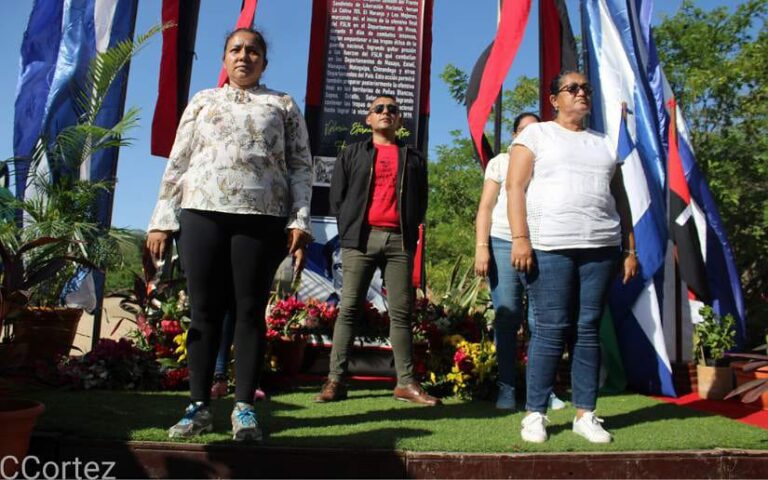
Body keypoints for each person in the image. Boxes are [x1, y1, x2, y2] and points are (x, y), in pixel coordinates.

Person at [146, 28, 312, 441]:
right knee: (203, 310)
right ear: (224, 59)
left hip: (261, 216)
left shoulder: (283, 104)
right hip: (201, 211)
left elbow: (301, 166)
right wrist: (161, 217)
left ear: (264, 62)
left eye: (253, 51)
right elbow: (179, 160)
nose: (244, 56)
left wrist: (300, 219)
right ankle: (198, 407)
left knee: (250, 310)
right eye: (236, 49)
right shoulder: (203, 101)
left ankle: (244, 409)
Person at [507, 71, 638, 444]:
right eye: (573, 88)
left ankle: (586, 414)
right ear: (554, 100)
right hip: (549, 245)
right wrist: (520, 238)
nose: (582, 94)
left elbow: (621, 199)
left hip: (601, 247)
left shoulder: (604, 144)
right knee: (550, 328)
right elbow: (515, 186)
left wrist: (629, 248)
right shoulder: (536, 135)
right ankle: (535, 414)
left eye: (586, 89)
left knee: (587, 329)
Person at [314, 95, 439, 406]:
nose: (386, 113)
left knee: (400, 312)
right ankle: (335, 381)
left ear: (399, 121)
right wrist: (348, 230)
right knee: (349, 309)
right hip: (360, 239)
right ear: (368, 119)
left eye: (392, 110)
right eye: (379, 109)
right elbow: (337, 198)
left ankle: (406, 383)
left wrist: (409, 232)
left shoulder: (413, 158)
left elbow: (420, 200)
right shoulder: (353, 153)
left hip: (398, 240)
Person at [474, 112, 566, 411]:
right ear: (514, 135)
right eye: (523, 131)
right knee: (508, 315)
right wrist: (482, 247)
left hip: (544, 243)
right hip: (502, 242)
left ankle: (544, 389)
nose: (529, 135)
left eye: (535, 130)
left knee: (542, 320)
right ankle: (507, 386)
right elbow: (486, 208)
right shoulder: (500, 162)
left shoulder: (551, 164)